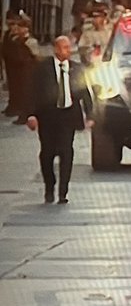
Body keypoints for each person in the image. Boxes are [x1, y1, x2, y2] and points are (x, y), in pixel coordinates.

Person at [27, 36, 93, 204]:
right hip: (48, 115)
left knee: (66, 152)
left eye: (69, 47)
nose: (68, 51)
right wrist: (31, 115)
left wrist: (90, 115)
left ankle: (63, 191)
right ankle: (50, 186)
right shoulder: (42, 69)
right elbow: (32, 92)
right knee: (47, 153)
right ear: (56, 49)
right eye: (64, 47)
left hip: (68, 116)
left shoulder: (77, 69)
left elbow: (85, 93)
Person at [6, 17, 39, 123]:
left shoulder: (30, 41)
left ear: (26, 29)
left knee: (27, 92)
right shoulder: (17, 39)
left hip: (28, 69)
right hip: (20, 70)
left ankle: (26, 115)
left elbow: (36, 56)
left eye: (21, 27)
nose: (18, 30)